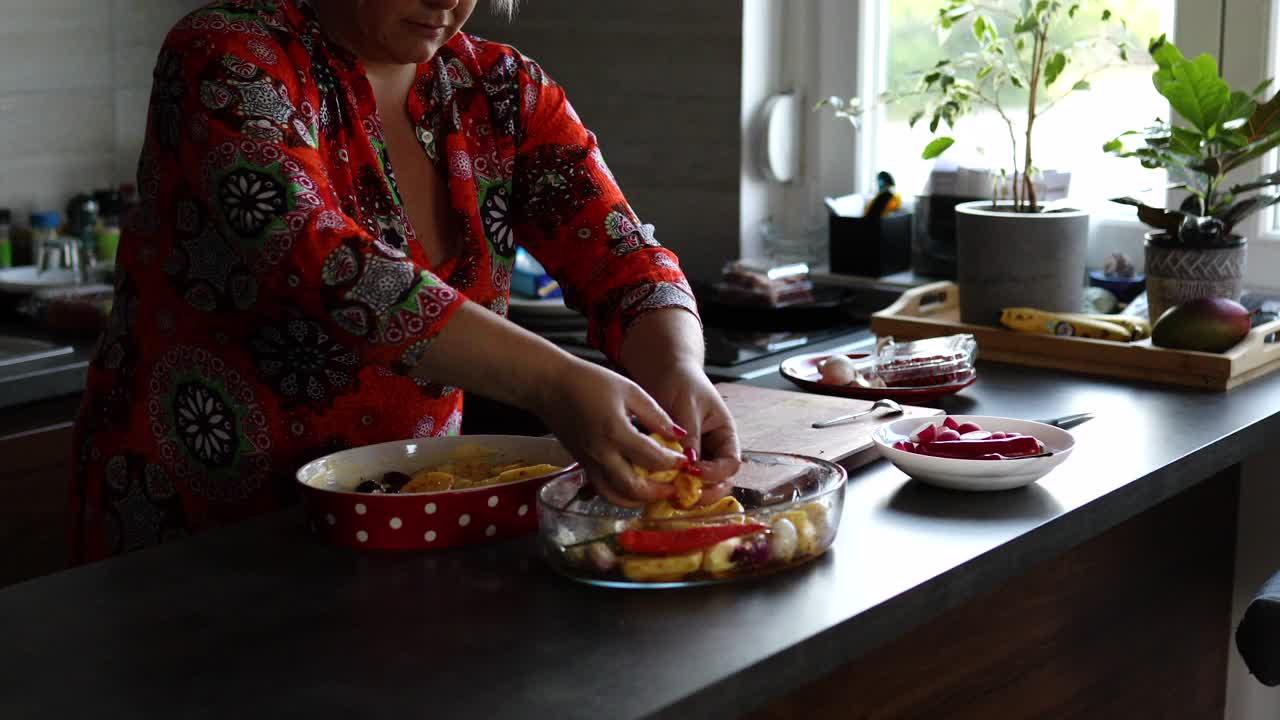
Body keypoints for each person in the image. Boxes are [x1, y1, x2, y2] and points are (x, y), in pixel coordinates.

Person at [70, 0, 740, 562]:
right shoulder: (226, 57)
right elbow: (337, 272)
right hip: (198, 536)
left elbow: (624, 259)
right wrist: (556, 384)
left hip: (400, 528)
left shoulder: (502, 90)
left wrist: (678, 369)